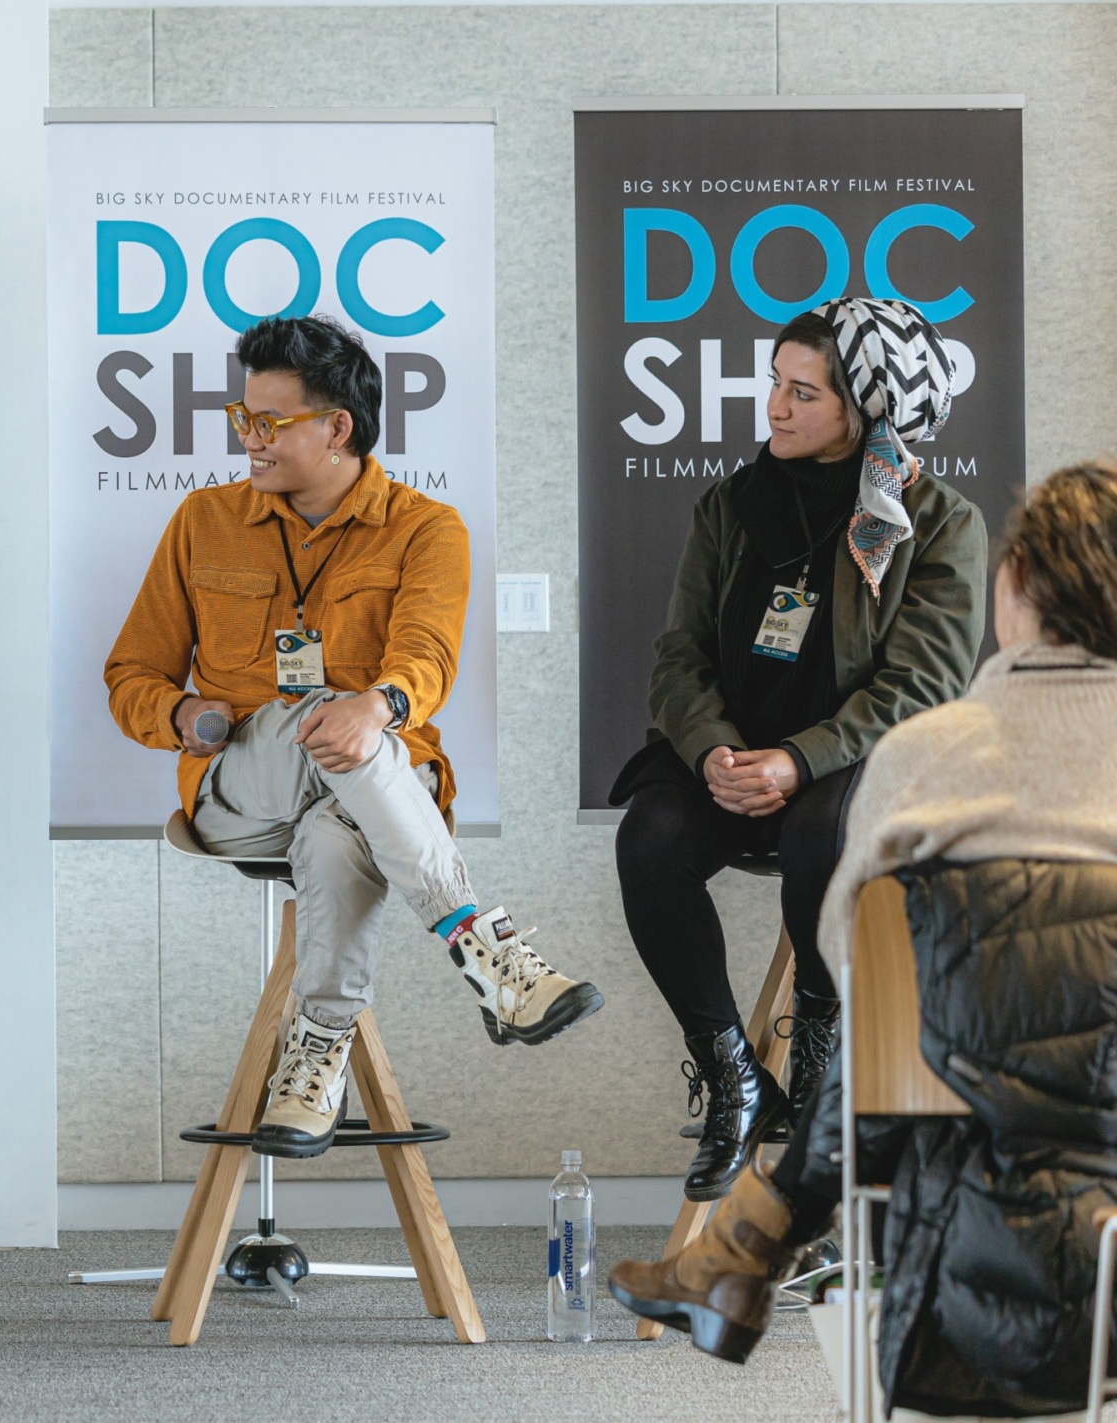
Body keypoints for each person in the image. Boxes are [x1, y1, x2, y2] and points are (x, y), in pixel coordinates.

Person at [611, 462, 1117, 1411]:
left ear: (1017, 593)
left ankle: (746, 1248)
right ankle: (744, 1252)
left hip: (953, 1134)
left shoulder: (930, 751)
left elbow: (853, 958)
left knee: (905, 1009)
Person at [106, 314, 603, 1160]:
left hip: (363, 787)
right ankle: (482, 945)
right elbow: (132, 675)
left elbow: (427, 657)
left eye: (269, 423)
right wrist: (185, 716)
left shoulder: (426, 527)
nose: (249, 440)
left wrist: (378, 707)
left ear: (337, 428)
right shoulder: (203, 520)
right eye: (243, 420)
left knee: (337, 834)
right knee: (328, 718)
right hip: (238, 790)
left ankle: (316, 1053)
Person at [610, 297, 986, 1202]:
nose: (774, 406)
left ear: (865, 409)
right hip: (729, 761)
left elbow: (922, 686)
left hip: (855, 768)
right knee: (650, 837)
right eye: (774, 383)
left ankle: (816, 1045)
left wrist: (798, 758)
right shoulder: (732, 504)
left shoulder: (936, 523)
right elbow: (678, 657)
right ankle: (734, 1072)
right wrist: (714, 753)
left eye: (801, 391)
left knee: (824, 832)